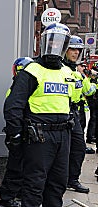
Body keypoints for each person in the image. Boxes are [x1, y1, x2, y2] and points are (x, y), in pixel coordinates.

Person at [4, 23, 79, 207]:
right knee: (35, 183)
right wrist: (16, 135)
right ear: (43, 42)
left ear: (64, 46)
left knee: (58, 182)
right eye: (51, 41)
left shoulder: (67, 72)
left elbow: (71, 102)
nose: (54, 47)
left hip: (62, 135)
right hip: (39, 136)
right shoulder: (31, 71)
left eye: (59, 42)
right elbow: (13, 106)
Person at [62, 35, 96, 194]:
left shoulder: (78, 72)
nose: (76, 53)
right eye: (72, 49)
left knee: (78, 148)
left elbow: (88, 91)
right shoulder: (59, 68)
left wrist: (85, 77)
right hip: (59, 111)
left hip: (74, 113)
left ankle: (72, 179)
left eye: (78, 50)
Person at [0, 57, 33, 207]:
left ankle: (17, 192)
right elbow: (12, 112)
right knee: (16, 166)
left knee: (24, 165)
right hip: (17, 133)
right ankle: (7, 197)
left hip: (25, 131)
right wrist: (16, 134)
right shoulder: (16, 88)